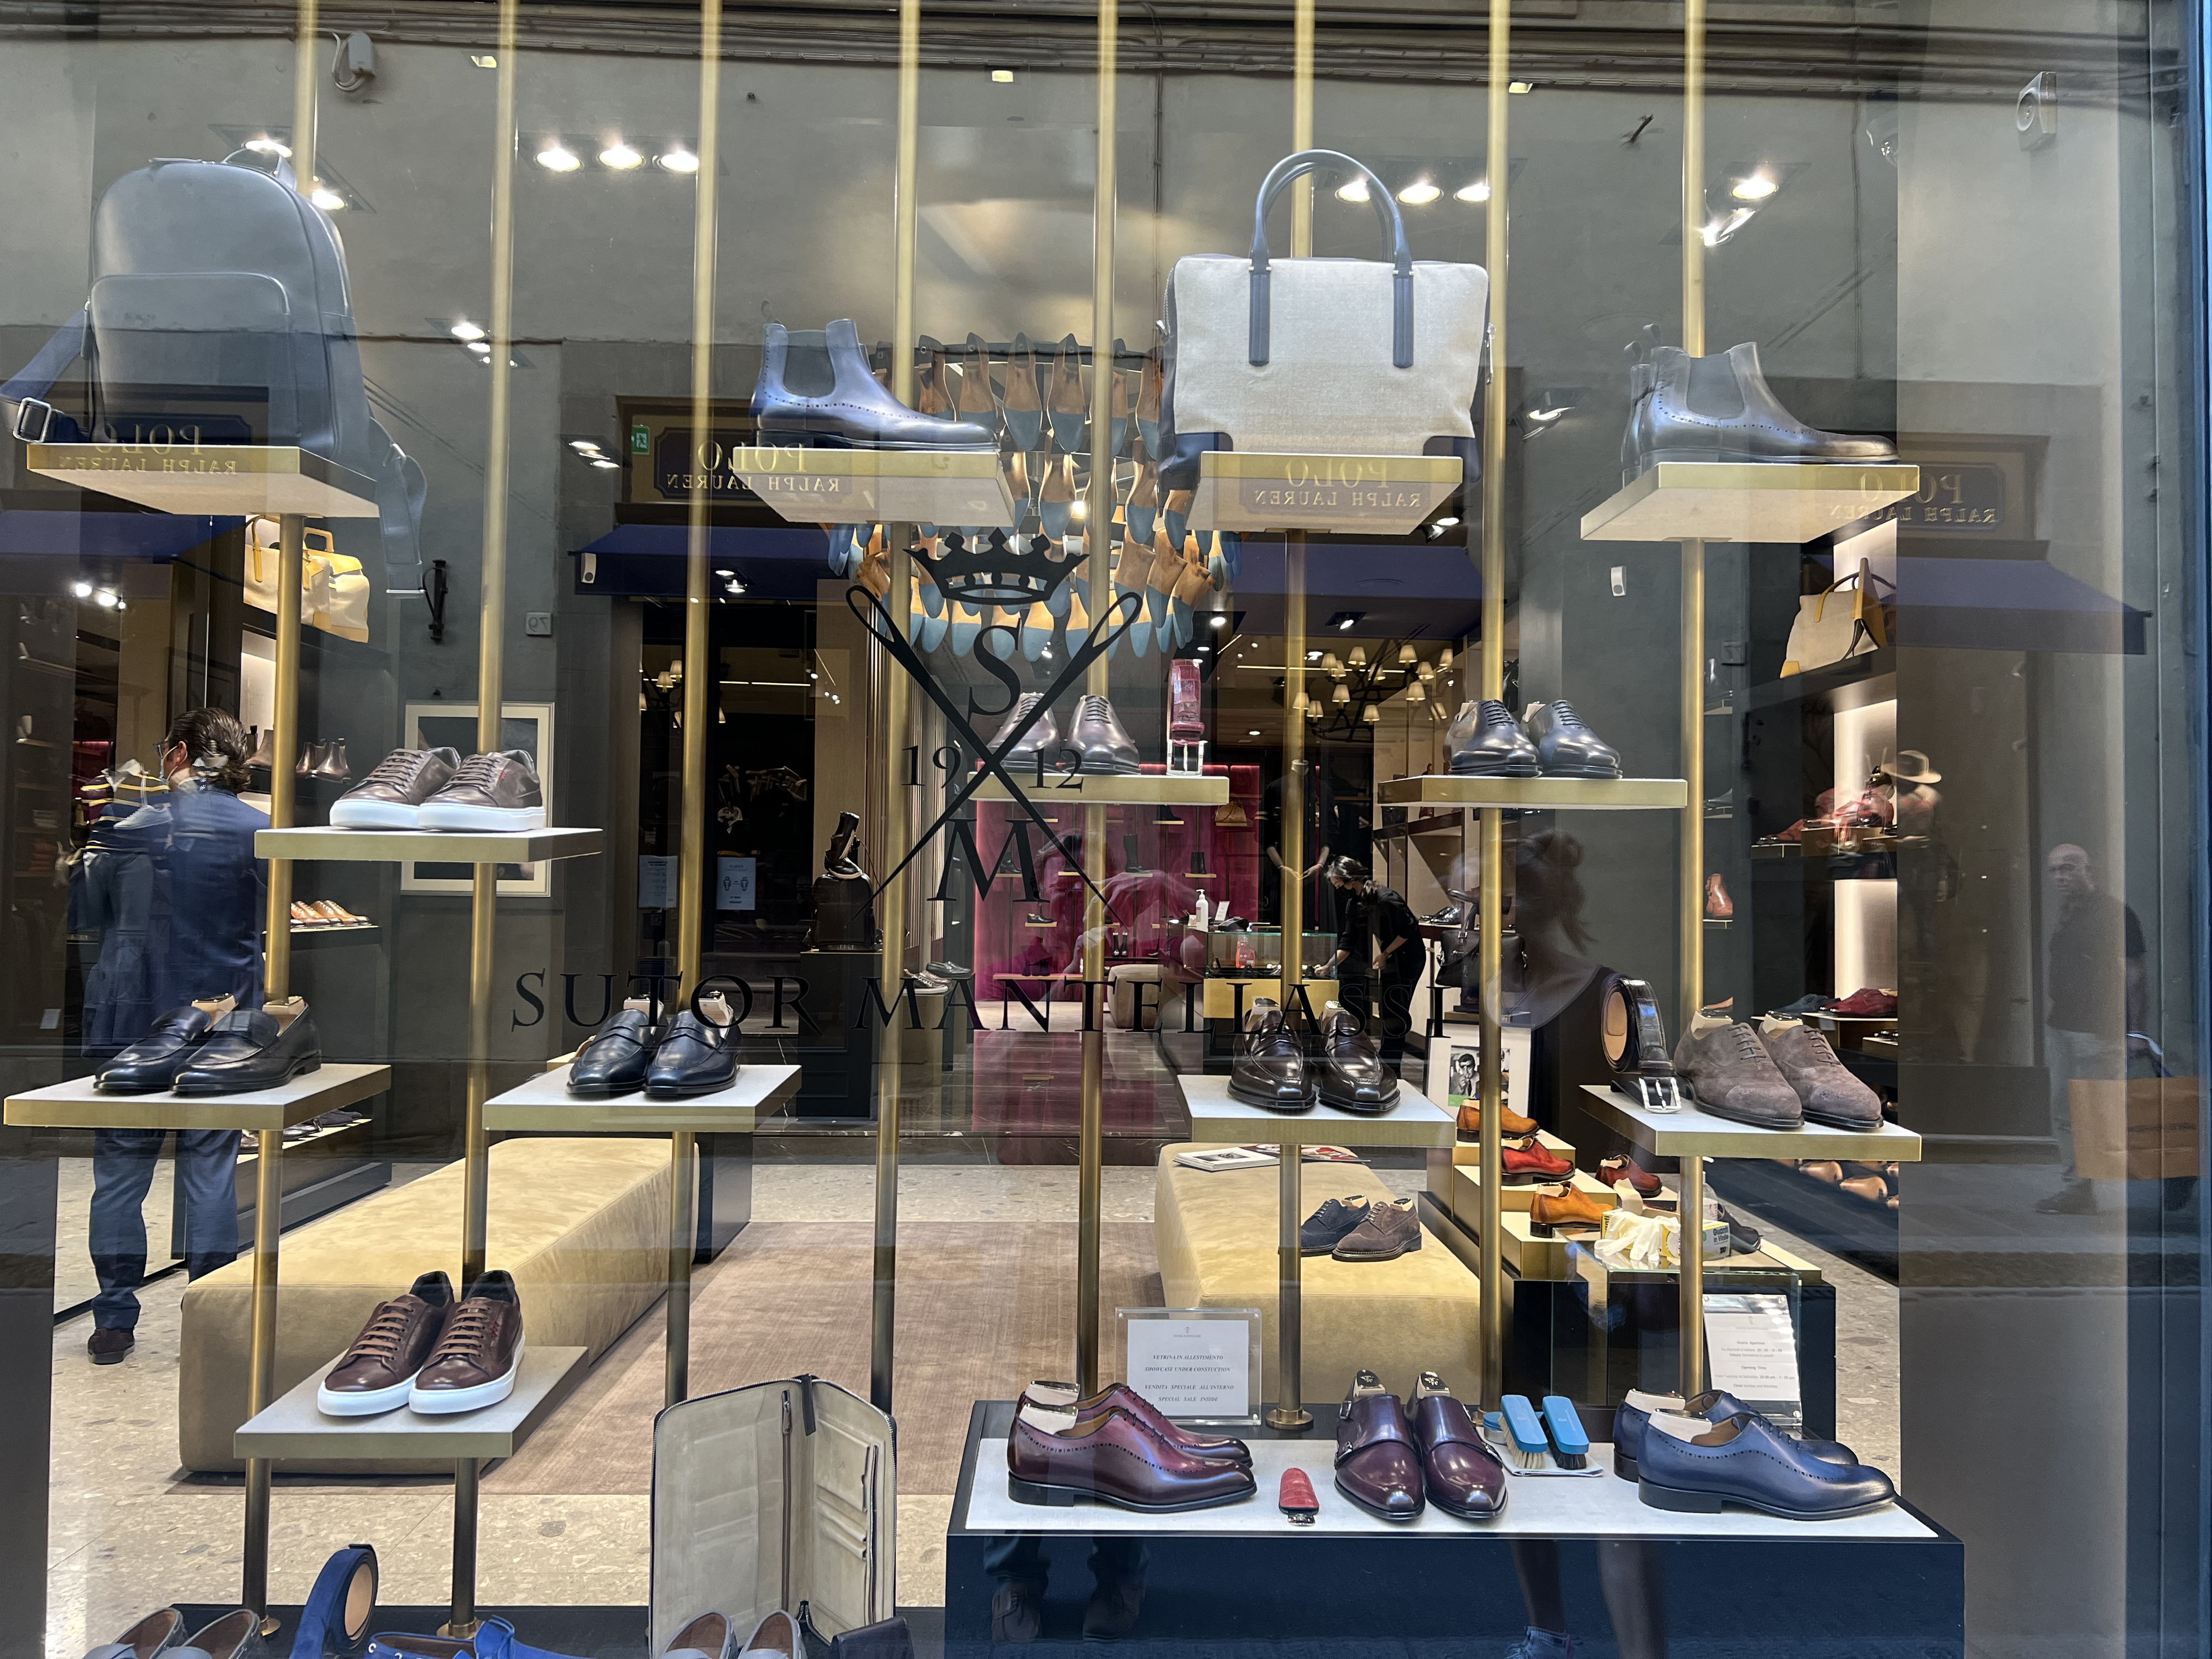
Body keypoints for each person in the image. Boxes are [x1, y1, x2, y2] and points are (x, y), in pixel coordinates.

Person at [86, 709, 268, 1364]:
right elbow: (268, 919)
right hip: (221, 1015)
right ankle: (209, 1321)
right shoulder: (258, 830)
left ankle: (114, 1319)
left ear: (178, 754)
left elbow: (91, 914)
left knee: (120, 1173)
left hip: (134, 1015)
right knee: (211, 1168)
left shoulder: (128, 825)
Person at [2034, 843, 2146, 1215]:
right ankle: (2078, 1189)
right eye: (2055, 870)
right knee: (2064, 1110)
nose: (2061, 876)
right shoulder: (2068, 913)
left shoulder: (2113, 913)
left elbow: (2134, 975)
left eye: (2069, 868)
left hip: (2098, 1029)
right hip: (2062, 1025)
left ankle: (2121, 1189)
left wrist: (2136, 1031)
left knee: (2095, 1111)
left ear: (2089, 869)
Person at [1325, 855, 1422, 1066]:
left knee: (1396, 1009)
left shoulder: (1386, 898)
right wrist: (1328, 966)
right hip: (1391, 955)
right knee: (1388, 1010)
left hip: (1409, 956)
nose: (1336, 886)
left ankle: (1392, 1065)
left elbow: (1409, 929)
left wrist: (1385, 953)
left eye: (1337, 882)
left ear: (1348, 877)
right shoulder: (1354, 903)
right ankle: (1387, 1063)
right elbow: (1347, 943)